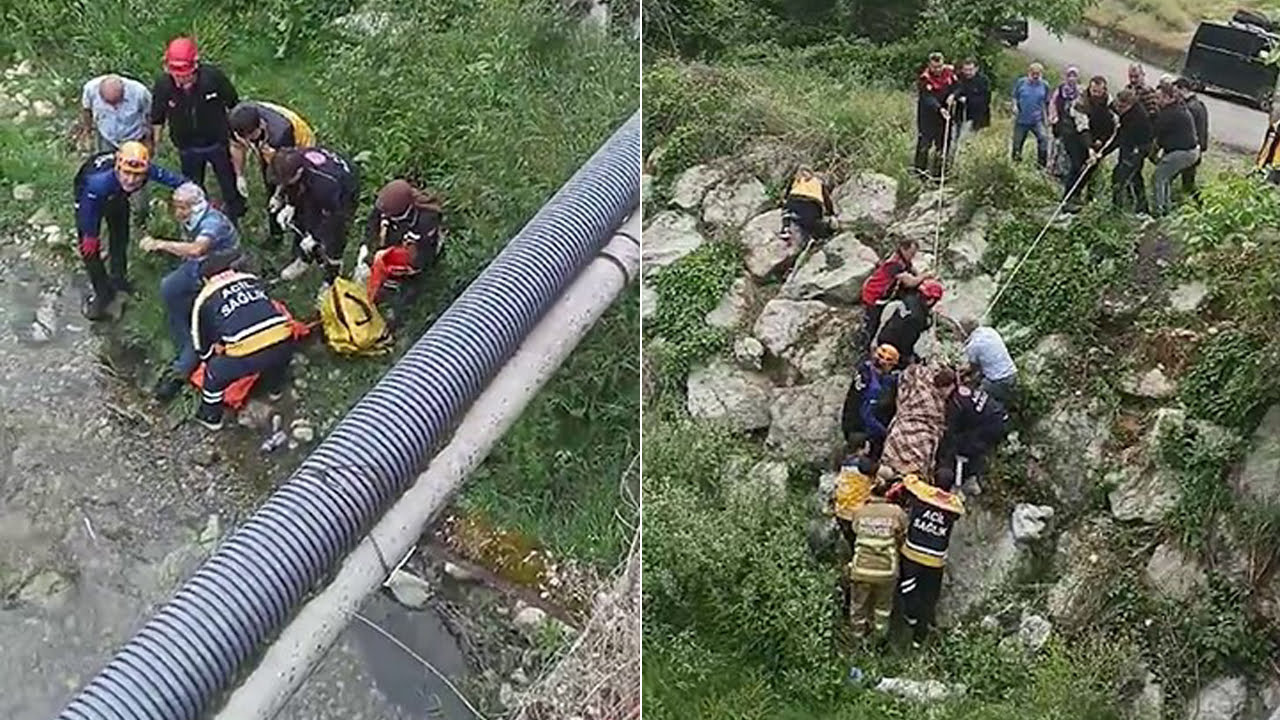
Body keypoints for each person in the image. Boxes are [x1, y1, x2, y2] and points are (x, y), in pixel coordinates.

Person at [141, 183, 241, 401]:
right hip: (203, 267)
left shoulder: (212, 223)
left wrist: (160, 244)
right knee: (170, 289)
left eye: (183, 208)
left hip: (218, 271)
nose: (178, 213)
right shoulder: (192, 219)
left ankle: (182, 366)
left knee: (198, 318)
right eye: (176, 207)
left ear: (196, 206)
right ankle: (185, 341)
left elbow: (197, 249)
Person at [74, 141, 186, 320]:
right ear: (118, 167)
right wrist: (90, 234)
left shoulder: (146, 170)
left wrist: (195, 193)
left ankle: (119, 280)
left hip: (117, 196)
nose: (132, 180)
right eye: (127, 173)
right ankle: (102, 295)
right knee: (89, 251)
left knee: (120, 237)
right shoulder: (97, 184)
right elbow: (88, 212)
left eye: (137, 175)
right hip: (90, 199)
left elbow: (173, 180)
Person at [190, 250, 297, 430]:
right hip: (284, 340)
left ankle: (211, 417)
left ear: (205, 280)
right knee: (275, 354)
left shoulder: (205, 298)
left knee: (214, 373)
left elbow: (200, 344)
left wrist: (210, 359)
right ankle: (275, 389)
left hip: (249, 353)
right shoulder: (251, 279)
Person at [150, 36, 244, 222]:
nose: (181, 80)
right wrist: (156, 143)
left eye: (185, 75)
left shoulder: (213, 78)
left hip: (217, 140)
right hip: (187, 146)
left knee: (227, 180)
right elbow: (157, 117)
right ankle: (201, 215)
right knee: (193, 185)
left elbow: (233, 103)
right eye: (176, 75)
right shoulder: (163, 85)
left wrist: (237, 137)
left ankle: (236, 211)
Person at [888, 469, 965, 648]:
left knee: (905, 587)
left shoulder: (922, 492)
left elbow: (909, 480)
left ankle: (910, 616)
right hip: (935, 559)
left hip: (912, 552)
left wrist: (921, 478)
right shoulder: (953, 503)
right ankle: (920, 635)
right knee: (929, 596)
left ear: (933, 480)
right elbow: (959, 510)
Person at [227, 101, 317, 246]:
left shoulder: (281, 133)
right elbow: (236, 146)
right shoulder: (235, 121)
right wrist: (239, 176)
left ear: (260, 126)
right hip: (271, 150)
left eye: (251, 137)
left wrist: (279, 196)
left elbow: (285, 171)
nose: (248, 141)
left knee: (297, 192)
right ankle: (276, 235)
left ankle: (301, 236)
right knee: (270, 188)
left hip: (297, 150)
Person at [270, 146, 360, 283]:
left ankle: (332, 278)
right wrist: (290, 204)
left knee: (334, 237)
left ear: (300, 172)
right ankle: (304, 260)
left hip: (343, 192)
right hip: (315, 181)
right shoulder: (292, 158)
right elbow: (290, 184)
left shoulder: (325, 184)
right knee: (306, 218)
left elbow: (335, 215)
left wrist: (315, 237)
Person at [355, 179, 445, 311]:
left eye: (387, 214)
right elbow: (372, 225)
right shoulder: (386, 206)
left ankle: (397, 314)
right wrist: (367, 249)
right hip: (397, 237)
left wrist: (398, 273)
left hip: (421, 252)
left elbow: (423, 256)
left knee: (405, 295)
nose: (383, 215)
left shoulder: (426, 219)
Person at [78, 73, 153, 227]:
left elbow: (149, 117)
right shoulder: (90, 89)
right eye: (109, 104)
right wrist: (87, 131)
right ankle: (111, 206)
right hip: (107, 138)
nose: (114, 107)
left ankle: (141, 214)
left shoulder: (140, 93)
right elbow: (86, 110)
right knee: (106, 172)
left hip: (133, 139)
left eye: (117, 102)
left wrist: (150, 141)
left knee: (137, 177)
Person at [846, 478, 907, 640]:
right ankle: (878, 640)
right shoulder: (897, 512)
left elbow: (855, 531)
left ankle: (857, 638)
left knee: (858, 607)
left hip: (861, 569)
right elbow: (902, 536)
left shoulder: (860, 512)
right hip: (887, 571)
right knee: (882, 608)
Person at [879, 363, 956, 481]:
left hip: (901, 430)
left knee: (892, 460)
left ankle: (891, 473)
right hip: (921, 432)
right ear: (944, 387)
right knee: (919, 456)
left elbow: (911, 372)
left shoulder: (921, 378)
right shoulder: (934, 402)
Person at [859, 238, 927, 351]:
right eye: (911, 253)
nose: (913, 256)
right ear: (903, 249)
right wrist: (925, 276)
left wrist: (920, 275)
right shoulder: (895, 264)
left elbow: (912, 270)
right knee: (872, 324)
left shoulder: (903, 259)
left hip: (882, 294)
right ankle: (865, 347)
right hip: (874, 296)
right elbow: (910, 282)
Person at [935, 386, 1009, 488]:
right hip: (1000, 415)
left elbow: (951, 431)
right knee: (968, 442)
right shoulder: (963, 389)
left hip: (991, 426)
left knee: (964, 447)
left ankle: (961, 480)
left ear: (944, 388)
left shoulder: (956, 403)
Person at [1061, 76, 1117, 210]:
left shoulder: (1109, 102)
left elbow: (1111, 125)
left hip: (1095, 133)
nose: (1096, 94)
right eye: (1093, 91)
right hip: (1073, 133)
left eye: (1099, 92)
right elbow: (1082, 127)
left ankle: (1079, 193)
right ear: (1089, 89)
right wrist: (1090, 148)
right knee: (1077, 164)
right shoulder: (1081, 102)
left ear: (1104, 90)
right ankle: (1067, 199)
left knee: (1091, 166)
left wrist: (1100, 142)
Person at [840, 344, 901, 458]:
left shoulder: (865, 369)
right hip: (861, 431)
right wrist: (886, 434)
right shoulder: (872, 385)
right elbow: (866, 415)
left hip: (851, 424)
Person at [1152, 84, 1200, 217]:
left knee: (1158, 177)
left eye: (1158, 98)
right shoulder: (1178, 107)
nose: (1156, 101)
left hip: (1183, 152)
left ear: (1168, 98)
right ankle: (1166, 210)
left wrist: (1152, 154)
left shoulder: (1169, 113)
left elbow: (1155, 134)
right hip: (1191, 150)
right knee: (1165, 178)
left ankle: (1158, 213)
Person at [1103, 89, 1154, 214]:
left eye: (1121, 107)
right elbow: (1112, 108)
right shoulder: (1124, 110)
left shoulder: (1136, 118)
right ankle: (1142, 208)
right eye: (1117, 105)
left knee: (1119, 176)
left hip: (1138, 148)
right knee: (1135, 177)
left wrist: (1102, 154)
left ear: (1130, 105)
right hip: (1130, 145)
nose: (1118, 109)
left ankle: (1117, 209)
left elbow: (1119, 139)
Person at [874, 280, 944, 367]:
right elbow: (913, 345)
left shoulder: (908, 299)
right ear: (931, 300)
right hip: (898, 352)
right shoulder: (920, 319)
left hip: (881, 340)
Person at [914, 52, 956, 178]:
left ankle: (938, 175)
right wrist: (939, 109)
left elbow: (959, 86)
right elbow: (928, 98)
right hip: (928, 117)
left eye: (940, 67)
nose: (937, 70)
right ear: (929, 65)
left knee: (943, 146)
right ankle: (920, 174)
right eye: (934, 67)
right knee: (924, 145)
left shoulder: (950, 74)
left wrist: (953, 95)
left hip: (945, 118)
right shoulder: (924, 78)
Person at [960, 322, 1017, 407]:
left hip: (998, 380)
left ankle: (998, 413)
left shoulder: (973, 345)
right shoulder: (991, 331)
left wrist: (965, 376)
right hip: (1012, 372)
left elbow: (975, 369)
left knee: (978, 398)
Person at [833, 451, 876, 554]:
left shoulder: (844, 466)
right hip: (858, 513)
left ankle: (852, 556)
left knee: (851, 538)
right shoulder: (865, 466)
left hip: (841, 511)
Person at [1173, 77, 1208, 202]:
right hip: (1197, 149)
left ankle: (1200, 203)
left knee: (1171, 177)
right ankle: (1199, 203)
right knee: (1188, 182)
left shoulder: (1190, 108)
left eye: (1176, 91)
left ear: (1183, 89)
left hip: (1190, 149)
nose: (1175, 95)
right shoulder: (1199, 105)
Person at [779, 167, 836, 243]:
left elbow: (786, 194)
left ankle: (786, 228)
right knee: (814, 224)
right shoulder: (819, 183)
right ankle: (826, 231)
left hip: (794, 201)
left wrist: (783, 202)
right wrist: (831, 213)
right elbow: (827, 200)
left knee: (786, 212)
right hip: (812, 205)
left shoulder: (797, 179)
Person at [1011, 62, 1050, 168]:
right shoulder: (1021, 83)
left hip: (1036, 120)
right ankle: (1016, 166)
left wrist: (1047, 119)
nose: (1036, 76)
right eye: (1033, 74)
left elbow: (1046, 103)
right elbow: (1014, 96)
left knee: (1043, 139)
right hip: (1021, 119)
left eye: (1038, 74)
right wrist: (1014, 106)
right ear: (1029, 73)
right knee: (1017, 145)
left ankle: (1041, 166)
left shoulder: (1044, 85)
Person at [951, 58, 991, 146]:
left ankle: (962, 158)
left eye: (970, 70)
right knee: (953, 140)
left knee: (965, 142)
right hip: (958, 116)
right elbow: (953, 90)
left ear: (976, 69)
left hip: (974, 118)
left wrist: (968, 100)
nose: (968, 72)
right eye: (965, 70)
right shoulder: (958, 78)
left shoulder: (983, 81)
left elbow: (985, 100)